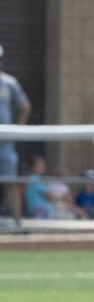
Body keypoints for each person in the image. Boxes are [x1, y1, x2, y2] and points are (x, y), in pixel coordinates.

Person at [0, 44, 31, 226]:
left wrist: (19, 129)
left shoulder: (9, 82)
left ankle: (17, 223)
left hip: (5, 142)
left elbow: (24, 105)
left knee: (11, 183)